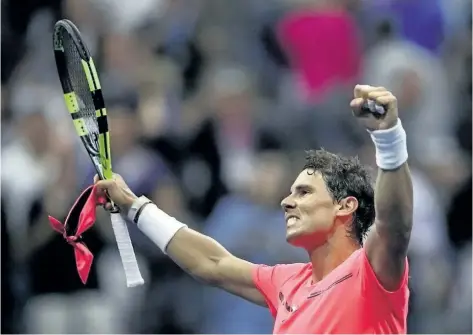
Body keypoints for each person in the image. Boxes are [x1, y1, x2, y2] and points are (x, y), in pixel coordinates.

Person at [95, 85, 413, 334]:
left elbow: (394, 226)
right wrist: (135, 206)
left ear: (345, 206)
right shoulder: (288, 282)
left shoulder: (369, 272)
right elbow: (212, 262)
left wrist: (389, 138)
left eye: (303, 193)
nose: (287, 202)